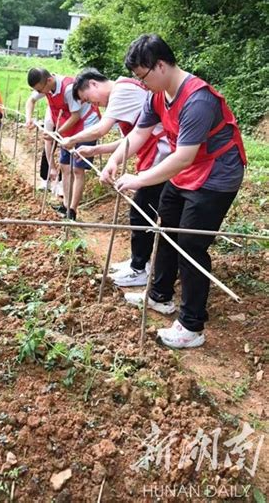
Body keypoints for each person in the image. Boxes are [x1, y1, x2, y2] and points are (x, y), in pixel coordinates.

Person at [101, 34, 246, 349]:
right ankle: (159, 295)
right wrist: (115, 160)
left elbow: (183, 156)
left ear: (161, 65)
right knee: (165, 228)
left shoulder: (198, 99)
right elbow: (138, 134)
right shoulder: (156, 95)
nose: (142, 83)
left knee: (191, 244)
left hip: (217, 174)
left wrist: (140, 179)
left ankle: (192, 326)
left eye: (143, 76)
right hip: (189, 170)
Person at [61, 68, 170, 287]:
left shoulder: (121, 91)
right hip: (154, 153)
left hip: (163, 154)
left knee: (142, 210)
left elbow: (100, 129)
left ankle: (140, 269)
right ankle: (138, 263)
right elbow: (128, 141)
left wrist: (71, 139)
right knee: (144, 210)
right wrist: (95, 151)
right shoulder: (122, 94)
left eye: (87, 99)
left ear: (93, 84)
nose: (93, 105)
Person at [25, 68, 100, 220]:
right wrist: (29, 119)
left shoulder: (68, 88)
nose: (41, 93)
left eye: (40, 89)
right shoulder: (46, 87)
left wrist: (56, 133)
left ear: (49, 81)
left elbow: (76, 116)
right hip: (67, 127)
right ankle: (65, 205)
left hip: (86, 124)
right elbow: (30, 100)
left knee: (77, 169)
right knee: (65, 167)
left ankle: (72, 210)